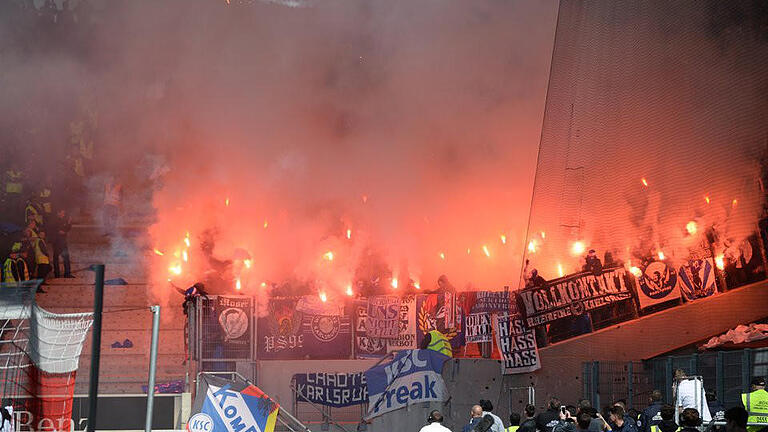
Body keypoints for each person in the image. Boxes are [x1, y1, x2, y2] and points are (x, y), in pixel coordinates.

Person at [48, 209, 73, 278]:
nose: (63, 215)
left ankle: (67, 273)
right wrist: (58, 232)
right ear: (58, 213)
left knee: (66, 257)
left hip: (63, 242)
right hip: (56, 242)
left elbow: (67, 229)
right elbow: (51, 230)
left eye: (64, 213)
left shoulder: (63, 220)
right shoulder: (54, 221)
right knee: (56, 258)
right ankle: (57, 274)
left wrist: (69, 223)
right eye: (62, 213)